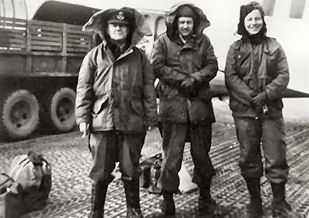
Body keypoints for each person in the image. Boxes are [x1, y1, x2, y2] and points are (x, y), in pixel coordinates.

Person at [75, 7, 158, 218]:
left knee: (131, 170)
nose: (119, 29)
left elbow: (149, 89)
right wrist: (83, 118)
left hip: (132, 122)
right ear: (107, 28)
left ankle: (134, 211)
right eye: (115, 25)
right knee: (100, 172)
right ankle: (96, 212)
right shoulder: (93, 56)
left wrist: (150, 117)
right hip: (102, 123)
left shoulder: (140, 58)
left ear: (129, 30)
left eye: (123, 26)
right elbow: (83, 89)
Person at [224, 2, 296, 218]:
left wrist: (265, 95)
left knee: (276, 157)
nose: (254, 23)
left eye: (257, 19)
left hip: (271, 112)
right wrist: (251, 97)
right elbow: (231, 77)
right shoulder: (235, 49)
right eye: (249, 19)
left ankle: (279, 203)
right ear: (243, 23)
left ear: (263, 21)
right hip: (245, 113)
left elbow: (283, 75)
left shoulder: (275, 46)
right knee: (248, 158)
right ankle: (255, 203)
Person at [151, 3, 218, 216]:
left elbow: (212, 65)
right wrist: (182, 80)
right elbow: (157, 66)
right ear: (175, 23)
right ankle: (167, 200)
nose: (186, 26)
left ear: (194, 23)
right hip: (173, 107)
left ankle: (205, 198)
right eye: (182, 22)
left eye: (189, 22)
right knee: (171, 156)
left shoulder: (204, 41)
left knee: (202, 155)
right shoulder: (162, 41)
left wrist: (195, 79)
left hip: (199, 108)